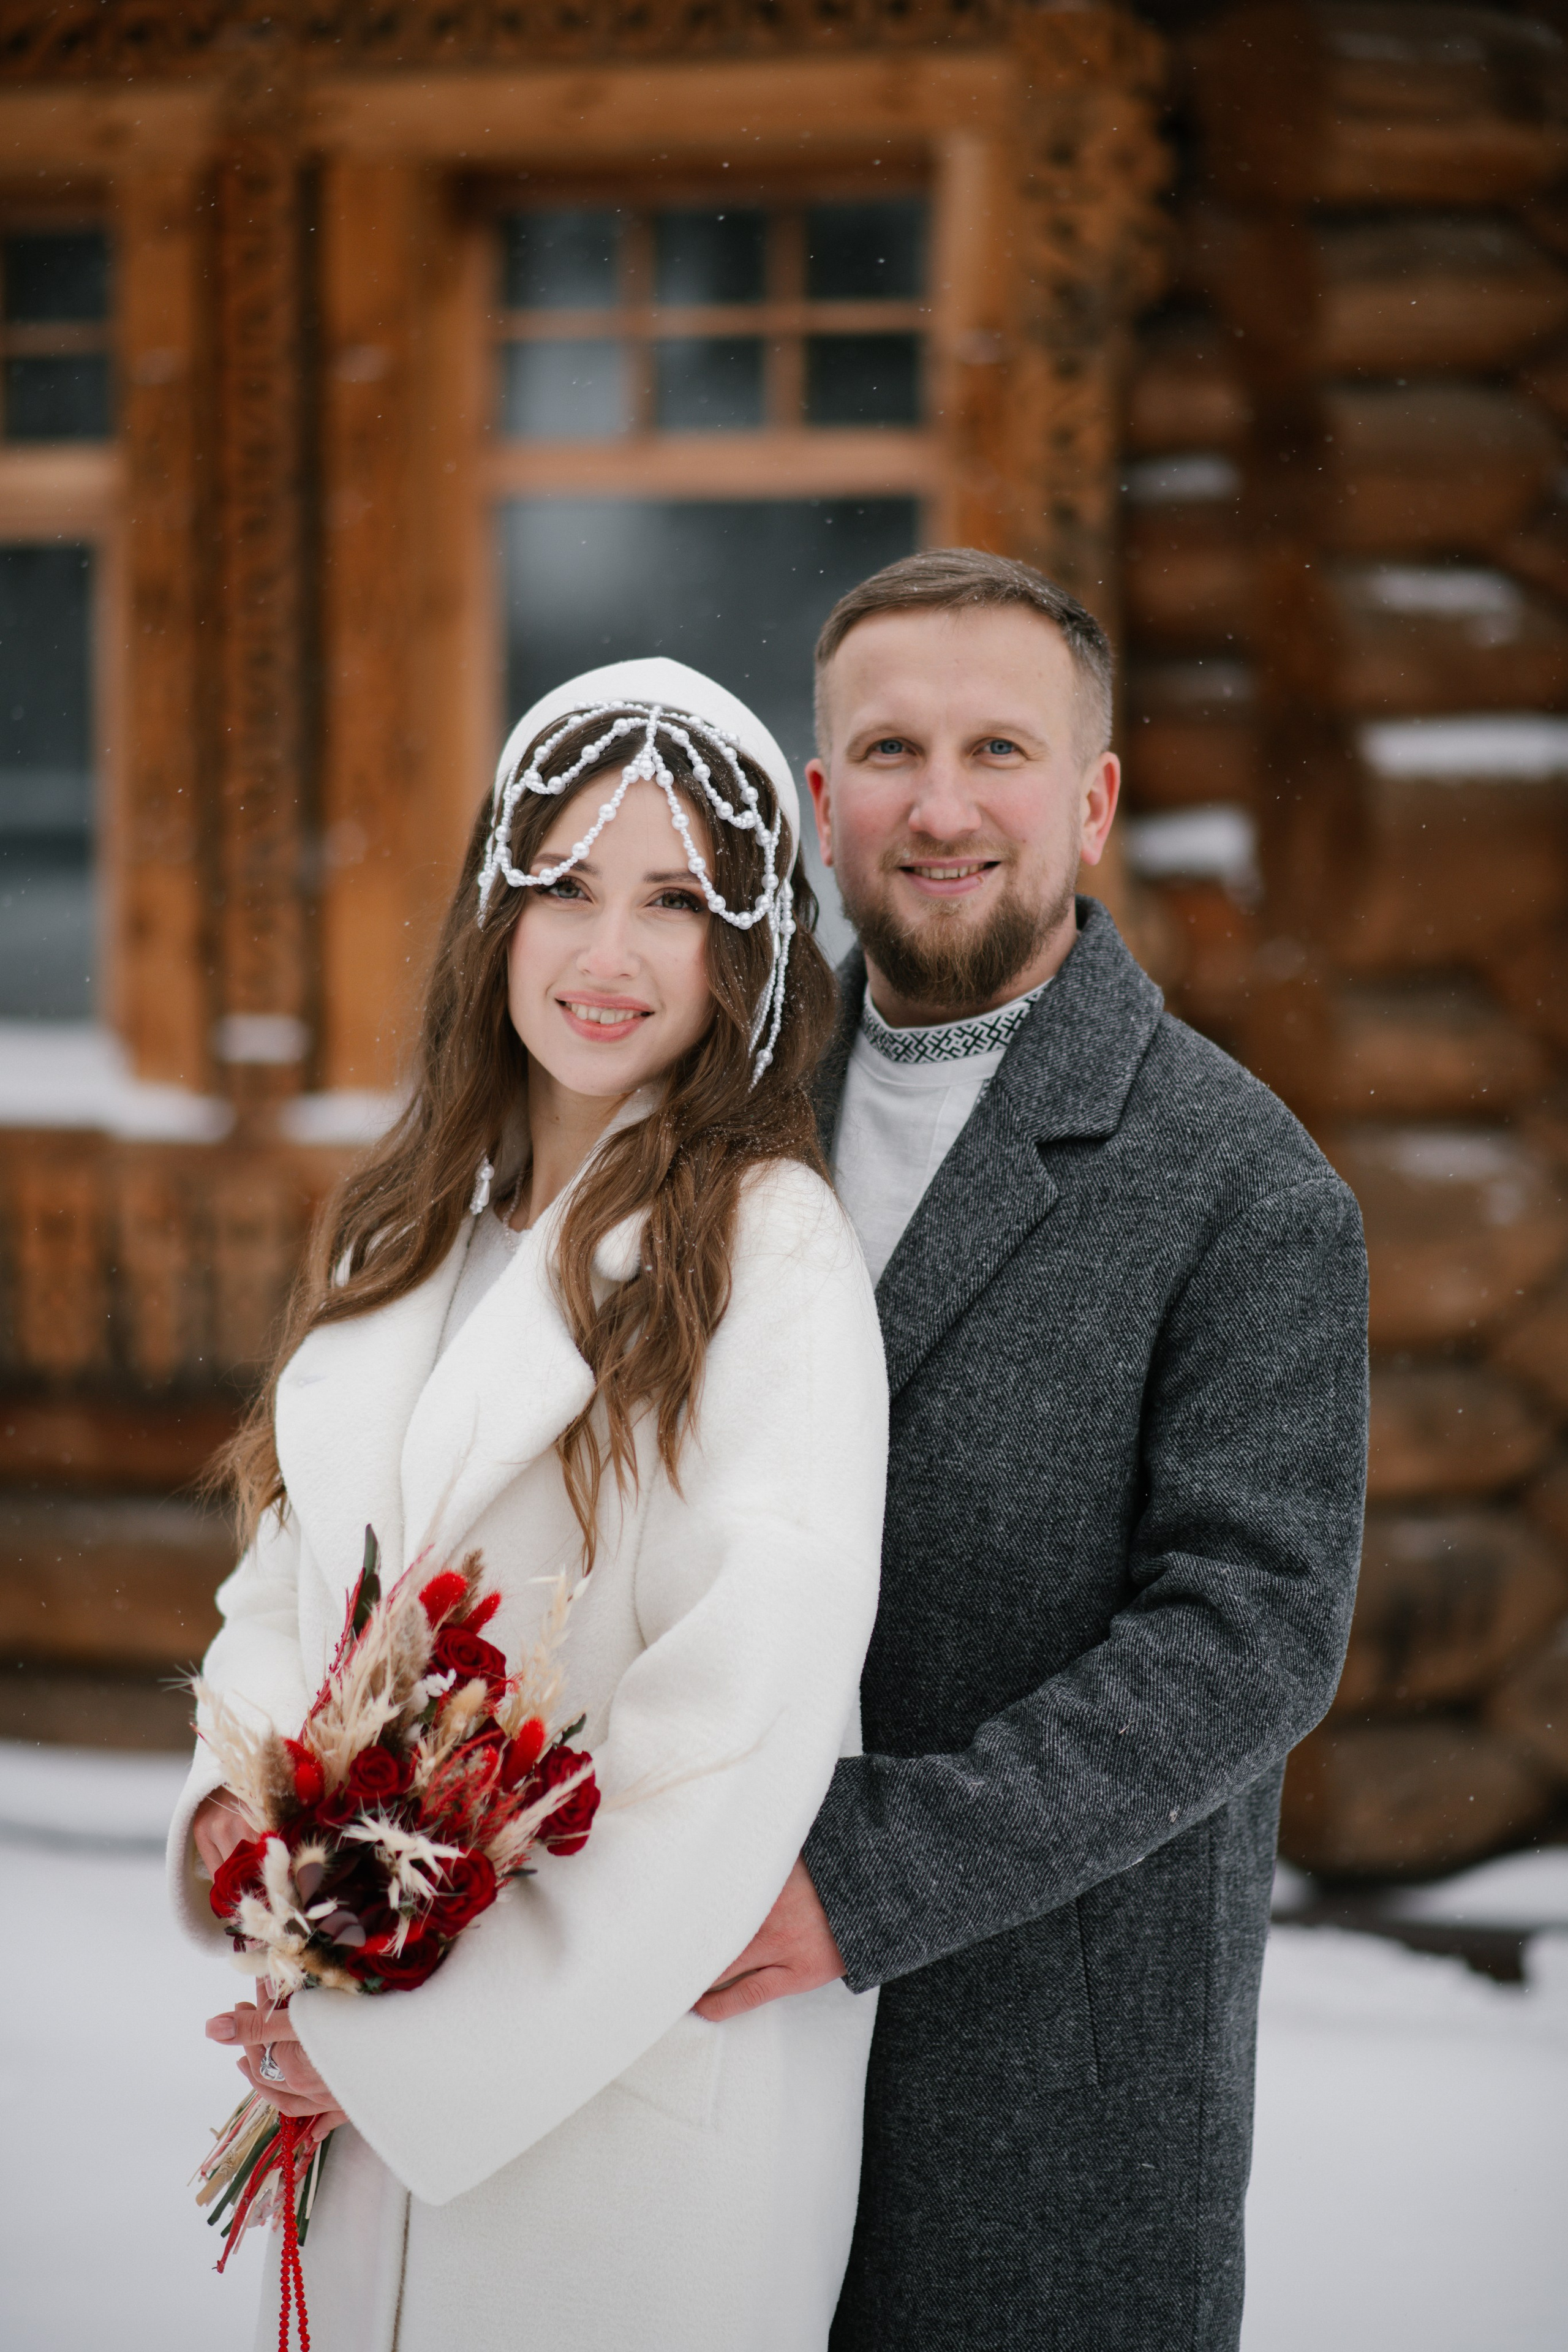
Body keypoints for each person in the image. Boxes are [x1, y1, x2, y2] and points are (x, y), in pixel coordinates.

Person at [167, 658, 889, 2352]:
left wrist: (414, 2041)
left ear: (747, 950)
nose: (607, 952)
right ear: (496, 910)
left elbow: (732, 1738)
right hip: (360, 2070)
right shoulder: (408, 1227)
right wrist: (245, 1819)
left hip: (612, 2100)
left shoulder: (769, 1254)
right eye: (565, 885)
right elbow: (293, 1586)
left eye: (673, 904)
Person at [696, 551, 1370, 2351]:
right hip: (696, 2070)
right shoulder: (712, 1122)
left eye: (997, 748)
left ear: (1092, 799)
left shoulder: (1244, 1187)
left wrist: (871, 1877)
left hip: (1042, 2108)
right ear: (823, 800)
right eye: (890, 752)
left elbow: (1249, 1640)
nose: (941, 808)